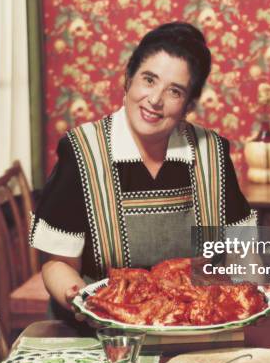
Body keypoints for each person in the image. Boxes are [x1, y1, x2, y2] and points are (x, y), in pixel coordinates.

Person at [30, 22, 256, 318]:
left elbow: (242, 252)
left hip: (192, 325)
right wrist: (79, 301)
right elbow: (57, 263)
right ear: (128, 79)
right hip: (104, 332)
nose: (155, 100)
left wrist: (253, 282)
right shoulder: (82, 152)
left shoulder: (212, 152)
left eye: (174, 91)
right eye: (149, 80)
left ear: (189, 104)